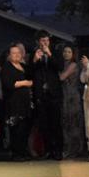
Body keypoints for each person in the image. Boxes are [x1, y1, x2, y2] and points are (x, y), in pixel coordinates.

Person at [31, 31, 64, 160]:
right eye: (43, 41)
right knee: (44, 124)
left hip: (54, 94)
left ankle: (58, 150)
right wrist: (34, 60)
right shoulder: (35, 54)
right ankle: (48, 150)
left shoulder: (54, 53)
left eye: (47, 41)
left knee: (56, 123)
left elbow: (59, 67)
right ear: (38, 42)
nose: (45, 43)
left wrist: (49, 54)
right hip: (41, 94)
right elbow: (29, 72)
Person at [1, 44, 35, 159]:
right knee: (16, 128)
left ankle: (24, 151)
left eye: (18, 53)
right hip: (14, 103)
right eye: (13, 53)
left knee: (25, 128)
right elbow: (9, 84)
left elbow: (32, 79)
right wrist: (24, 83)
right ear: (9, 55)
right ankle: (17, 153)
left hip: (25, 103)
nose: (16, 55)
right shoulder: (7, 66)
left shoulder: (23, 66)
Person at [59, 45, 85, 158]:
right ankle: (68, 148)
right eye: (65, 51)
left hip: (72, 96)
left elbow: (62, 77)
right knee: (66, 122)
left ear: (73, 54)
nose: (66, 53)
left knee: (73, 123)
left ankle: (75, 149)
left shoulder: (73, 65)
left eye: (69, 52)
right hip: (64, 95)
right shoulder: (63, 64)